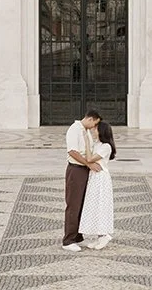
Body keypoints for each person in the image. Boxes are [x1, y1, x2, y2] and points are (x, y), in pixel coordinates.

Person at [61, 108, 101, 251]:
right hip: (76, 169)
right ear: (90, 119)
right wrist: (88, 163)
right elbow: (72, 151)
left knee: (82, 202)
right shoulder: (74, 129)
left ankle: (77, 235)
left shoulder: (86, 131)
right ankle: (68, 240)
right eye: (94, 123)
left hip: (83, 170)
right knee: (74, 203)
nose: (94, 127)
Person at [78, 120, 116, 249]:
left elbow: (89, 159)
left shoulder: (106, 147)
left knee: (101, 205)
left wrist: (87, 142)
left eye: (96, 129)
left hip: (101, 178)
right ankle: (98, 236)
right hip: (94, 177)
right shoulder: (98, 144)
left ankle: (105, 235)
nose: (94, 131)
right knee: (94, 205)